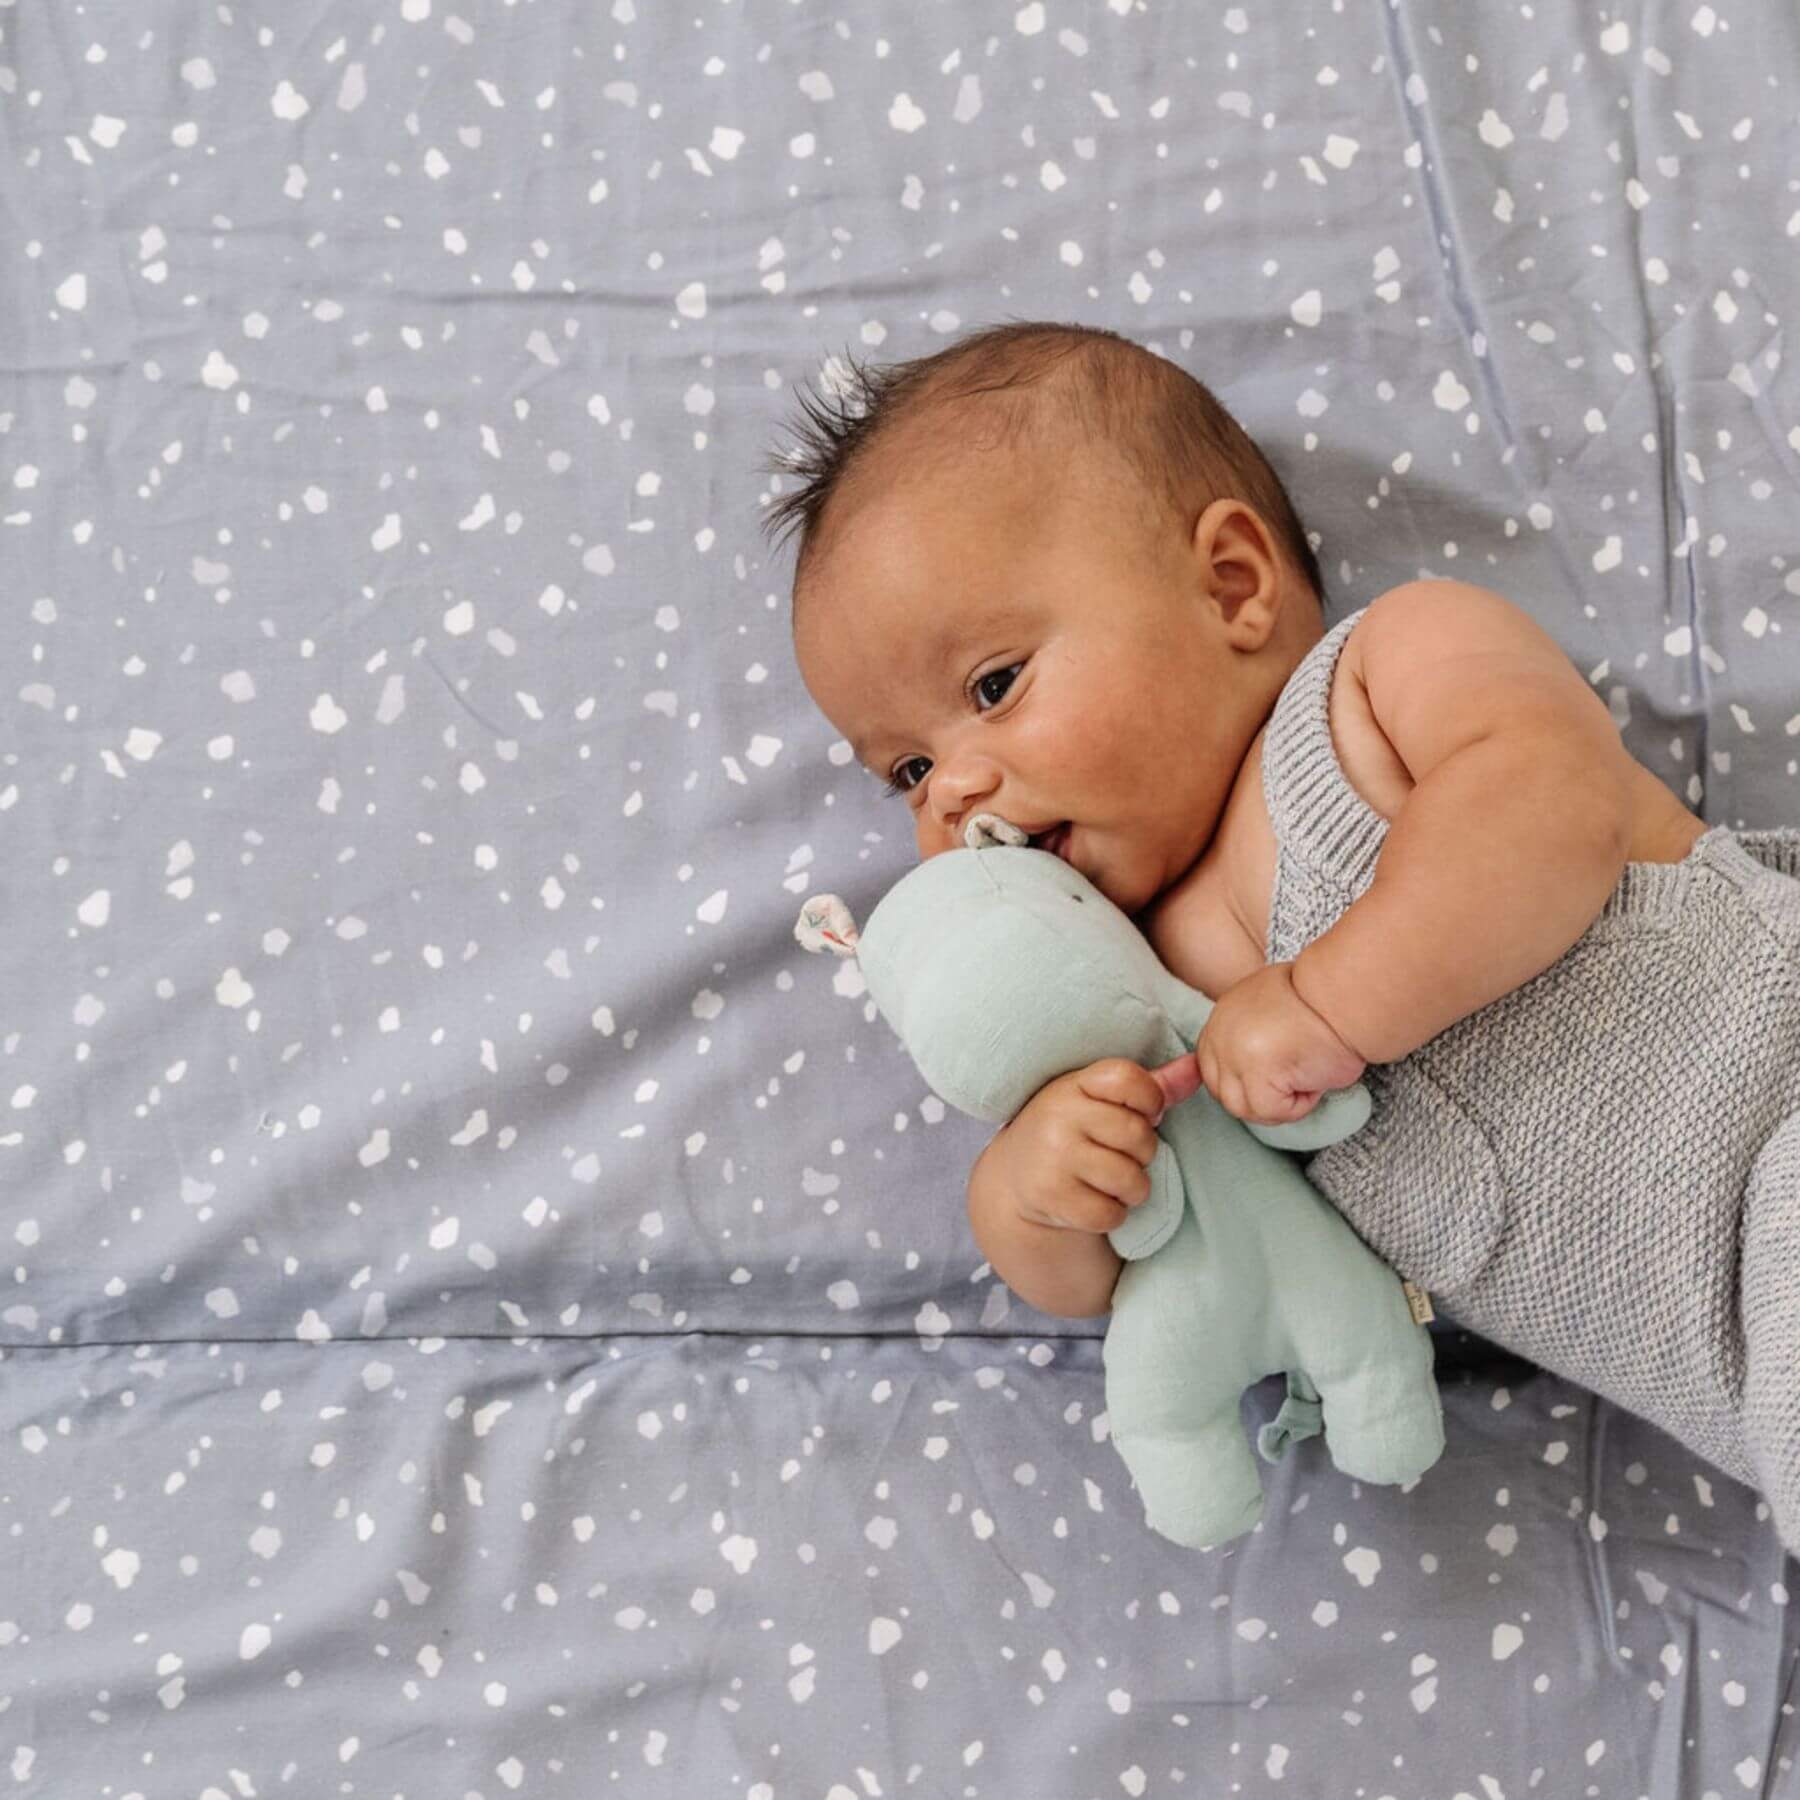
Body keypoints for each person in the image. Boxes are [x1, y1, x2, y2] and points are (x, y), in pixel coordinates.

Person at [764, 319, 1800, 1551]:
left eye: (994, 688)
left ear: (1233, 587)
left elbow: (1549, 809)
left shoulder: (1380, 678)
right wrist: (1036, 1191)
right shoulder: (1123, 985)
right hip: (1743, 1380)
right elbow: (1134, 1272)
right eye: (909, 768)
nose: (949, 794)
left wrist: (1326, 1003)